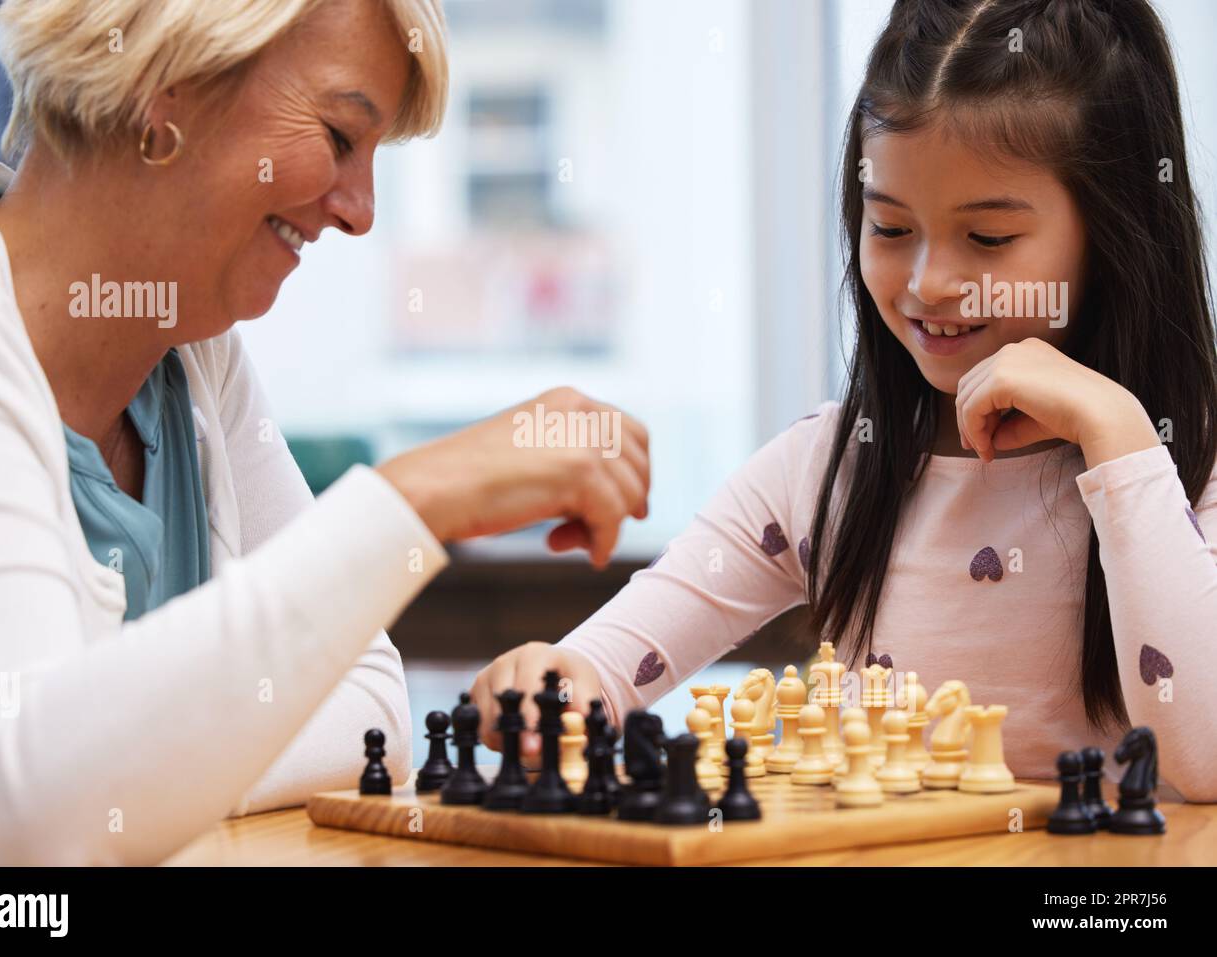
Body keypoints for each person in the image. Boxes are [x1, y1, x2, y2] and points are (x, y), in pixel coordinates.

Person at [0, 0, 650, 865]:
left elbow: (370, 705)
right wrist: (421, 495)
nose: (361, 211)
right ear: (166, 88)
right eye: (342, 137)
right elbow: (33, 815)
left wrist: (136, 765)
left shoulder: (194, 357)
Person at [471, 0, 1217, 801]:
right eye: (890, 228)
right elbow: (607, 669)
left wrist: (1118, 436)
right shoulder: (825, 470)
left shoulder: (1180, 466)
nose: (928, 283)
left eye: (988, 239)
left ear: (1112, 230)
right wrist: (552, 681)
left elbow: (1206, 760)